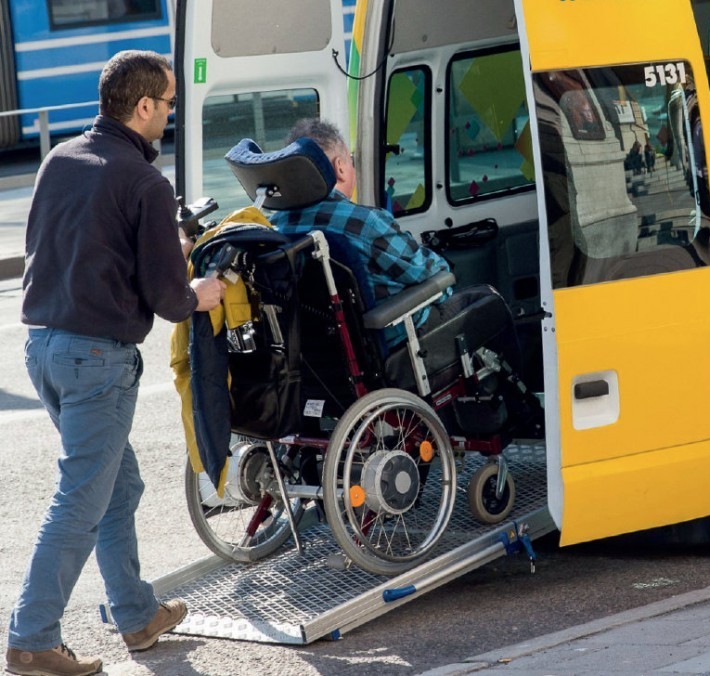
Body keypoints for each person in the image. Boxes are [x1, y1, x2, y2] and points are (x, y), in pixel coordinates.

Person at [6, 50, 225, 676]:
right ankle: (32, 638)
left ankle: (135, 616)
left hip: (44, 348)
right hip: (97, 359)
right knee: (80, 499)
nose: (173, 112)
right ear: (144, 106)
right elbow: (167, 298)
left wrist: (160, 241)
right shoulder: (145, 183)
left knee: (119, 486)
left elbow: (75, 246)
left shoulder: (61, 159)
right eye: (171, 102)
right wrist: (199, 291)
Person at [269, 118, 502, 349]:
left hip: (320, 356)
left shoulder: (275, 227)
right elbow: (430, 272)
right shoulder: (364, 222)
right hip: (390, 344)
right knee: (489, 302)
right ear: (340, 167)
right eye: (351, 161)